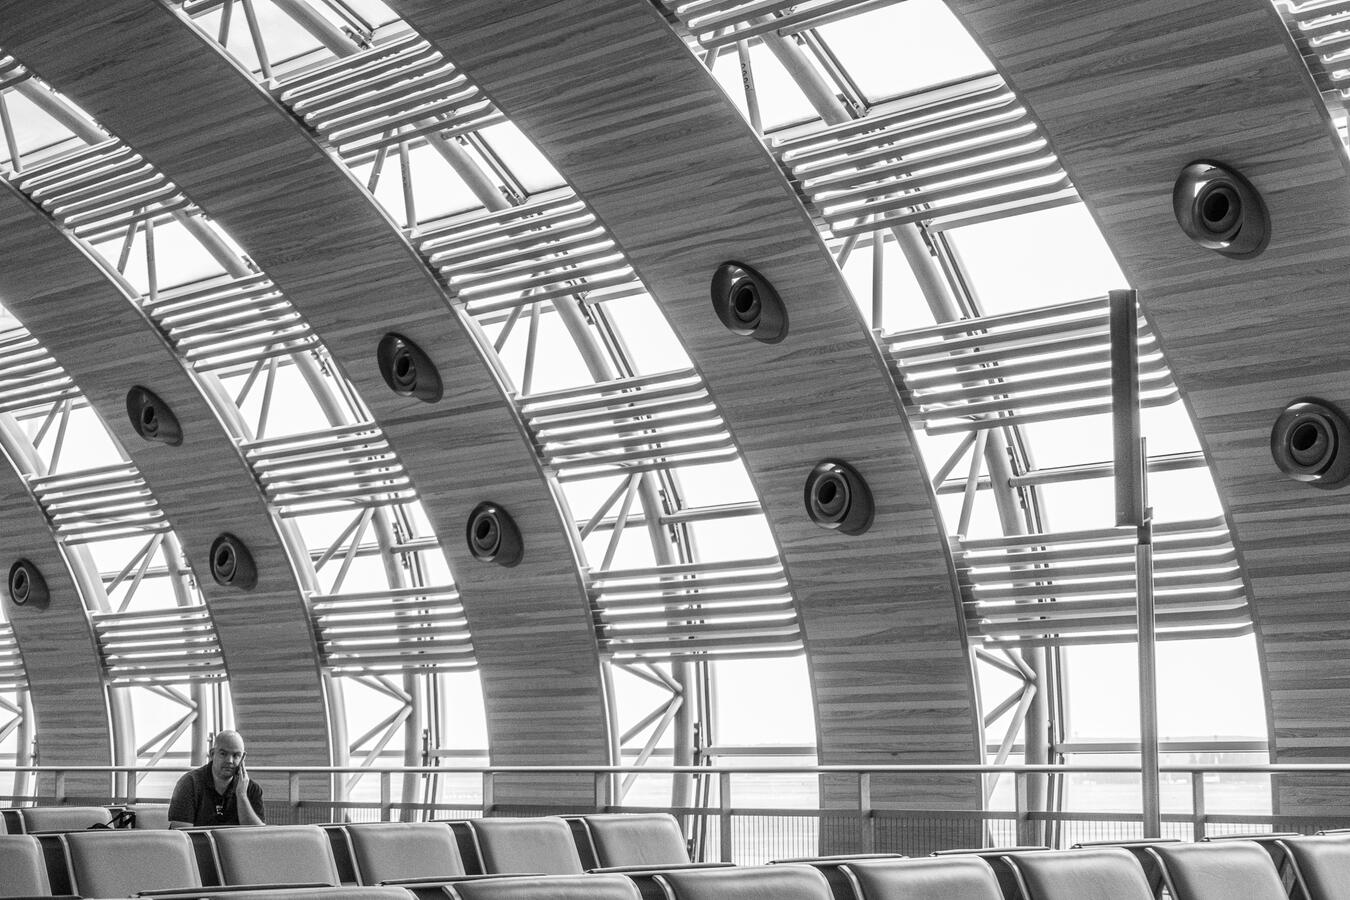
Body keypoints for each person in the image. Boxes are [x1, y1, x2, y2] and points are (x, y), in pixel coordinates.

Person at [168, 730, 265, 828]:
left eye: (236, 755)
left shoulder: (252, 789)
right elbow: (181, 835)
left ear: (243, 758)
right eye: (223, 754)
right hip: (198, 843)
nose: (229, 761)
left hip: (237, 843)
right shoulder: (189, 783)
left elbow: (258, 836)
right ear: (212, 754)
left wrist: (242, 795)